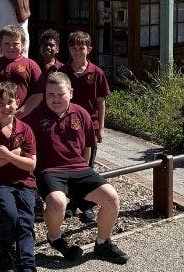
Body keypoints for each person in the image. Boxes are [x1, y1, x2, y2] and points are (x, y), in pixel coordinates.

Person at [24, 72, 128, 265]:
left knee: (112, 197)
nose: (55, 99)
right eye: (50, 94)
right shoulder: (35, 117)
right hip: (50, 170)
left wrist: (84, 176)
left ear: (71, 93)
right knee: (57, 202)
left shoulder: (81, 113)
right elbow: (27, 151)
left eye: (60, 94)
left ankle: (103, 242)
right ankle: (55, 238)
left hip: (79, 168)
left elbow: (88, 148)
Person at [0, 82, 37, 272]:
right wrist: (16, 154)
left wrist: (7, 155)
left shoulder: (25, 129)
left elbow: (31, 164)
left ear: (17, 103)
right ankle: (5, 252)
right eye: (0, 103)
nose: (6, 107)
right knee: (10, 215)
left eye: (10, 102)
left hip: (24, 181)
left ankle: (27, 264)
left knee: (26, 220)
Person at [60, 31, 111, 223]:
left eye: (81, 48)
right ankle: (72, 204)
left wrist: (101, 127)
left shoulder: (96, 73)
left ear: (88, 49)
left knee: (87, 166)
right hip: (67, 125)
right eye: (73, 48)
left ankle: (87, 206)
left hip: (90, 125)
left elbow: (101, 101)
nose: (77, 52)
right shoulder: (63, 72)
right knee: (68, 164)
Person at [0, 25, 43, 120]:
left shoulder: (31, 65)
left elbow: (39, 93)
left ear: (22, 45)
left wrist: (20, 113)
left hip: (24, 120)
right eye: (6, 43)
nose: (11, 47)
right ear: (0, 45)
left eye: (15, 43)